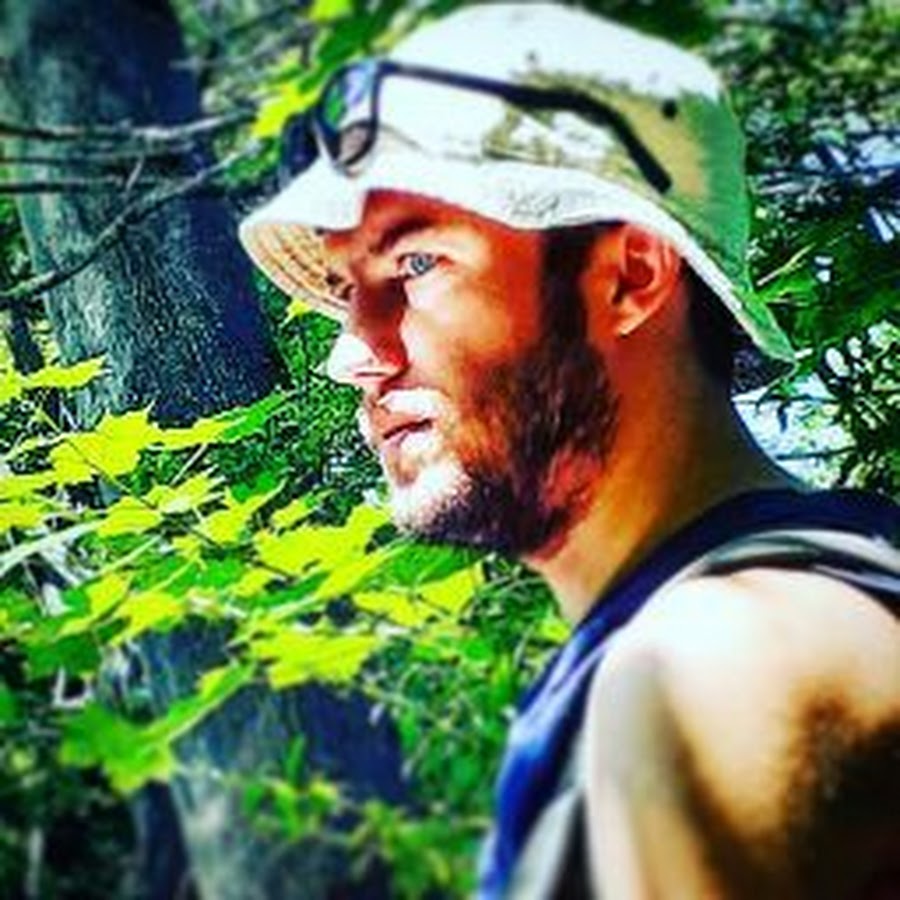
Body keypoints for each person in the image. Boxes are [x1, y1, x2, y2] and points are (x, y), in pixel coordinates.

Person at [239, 5, 900, 897]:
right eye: (343, 288)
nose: (353, 354)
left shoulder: (715, 659)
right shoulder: (729, 622)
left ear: (629, 275)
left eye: (417, 265)